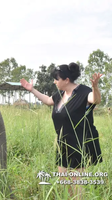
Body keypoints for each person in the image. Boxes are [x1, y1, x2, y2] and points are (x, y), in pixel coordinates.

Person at [20, 62, 103, 198]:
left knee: (76, 183)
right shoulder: (60, 94)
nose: (54, 82)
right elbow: (47, 100)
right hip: (62, 144)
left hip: (79, 144)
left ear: (66, 80)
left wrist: (95, 88)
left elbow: (95, 100)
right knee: (63, 181)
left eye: (56, 79)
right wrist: (32, 90)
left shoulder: (84, 92)